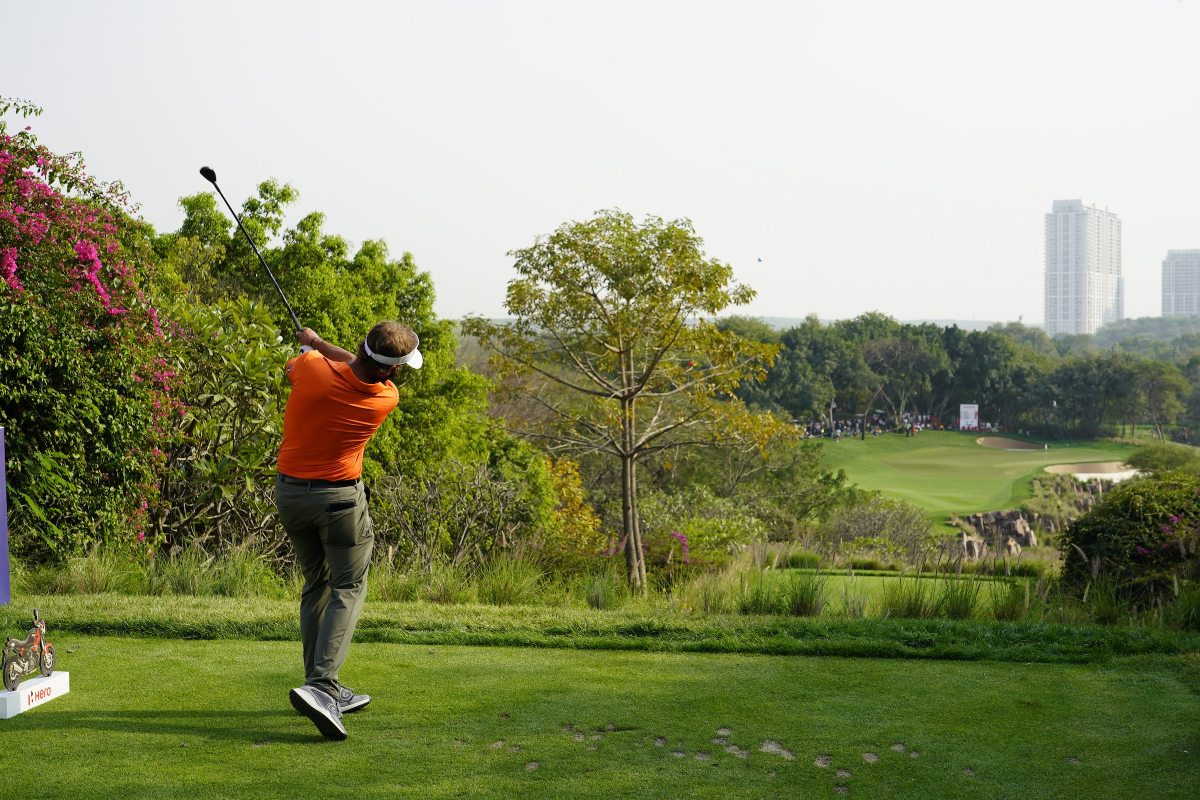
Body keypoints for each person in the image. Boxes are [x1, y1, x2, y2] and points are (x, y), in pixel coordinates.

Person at [275, 321, 422, 741]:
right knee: (348, 585)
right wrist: (319, 345)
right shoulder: (386, 397)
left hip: (290, 495)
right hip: (339, 502)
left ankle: (322, 686)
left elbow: (332, 364)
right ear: (392, 370)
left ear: (362, 346)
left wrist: (312, 345)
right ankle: (321, 687)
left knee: (315, 583)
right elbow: (357, 366)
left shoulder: (312, 370)